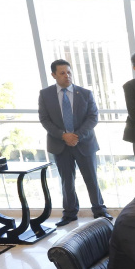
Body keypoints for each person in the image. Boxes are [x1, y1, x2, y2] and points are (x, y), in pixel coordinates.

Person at [38, 59, 109, 226]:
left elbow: (93, 117)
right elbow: (44, 119)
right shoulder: (45, 94)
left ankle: (99, 210)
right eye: (62, 73)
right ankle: (69, 213)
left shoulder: (85, 93)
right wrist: (63, 136)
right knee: (66, 180)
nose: (66, 76)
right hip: (59, 144)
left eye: (69, 72)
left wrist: (76, 136)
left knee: (91, 178)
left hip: (84, 143)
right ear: (53, 75)